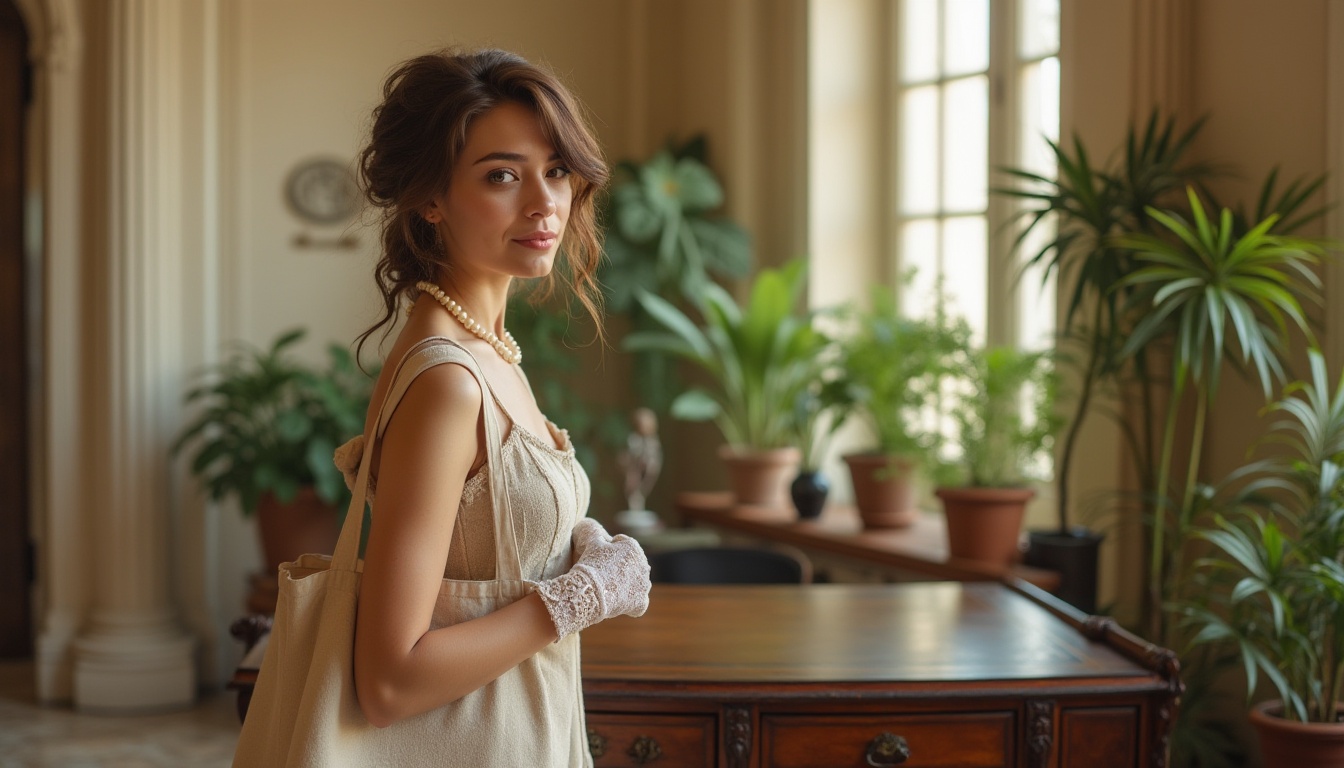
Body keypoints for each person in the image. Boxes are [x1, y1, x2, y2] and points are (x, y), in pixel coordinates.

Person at [333, 48, 650, 766]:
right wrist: (580, 597)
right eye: (502, 175)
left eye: (557, 170)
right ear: (430, 197)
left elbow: (477, 556)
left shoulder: (490, 349)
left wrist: (576, 548)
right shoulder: (450, 381)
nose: (545, 204)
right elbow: (388, 681)